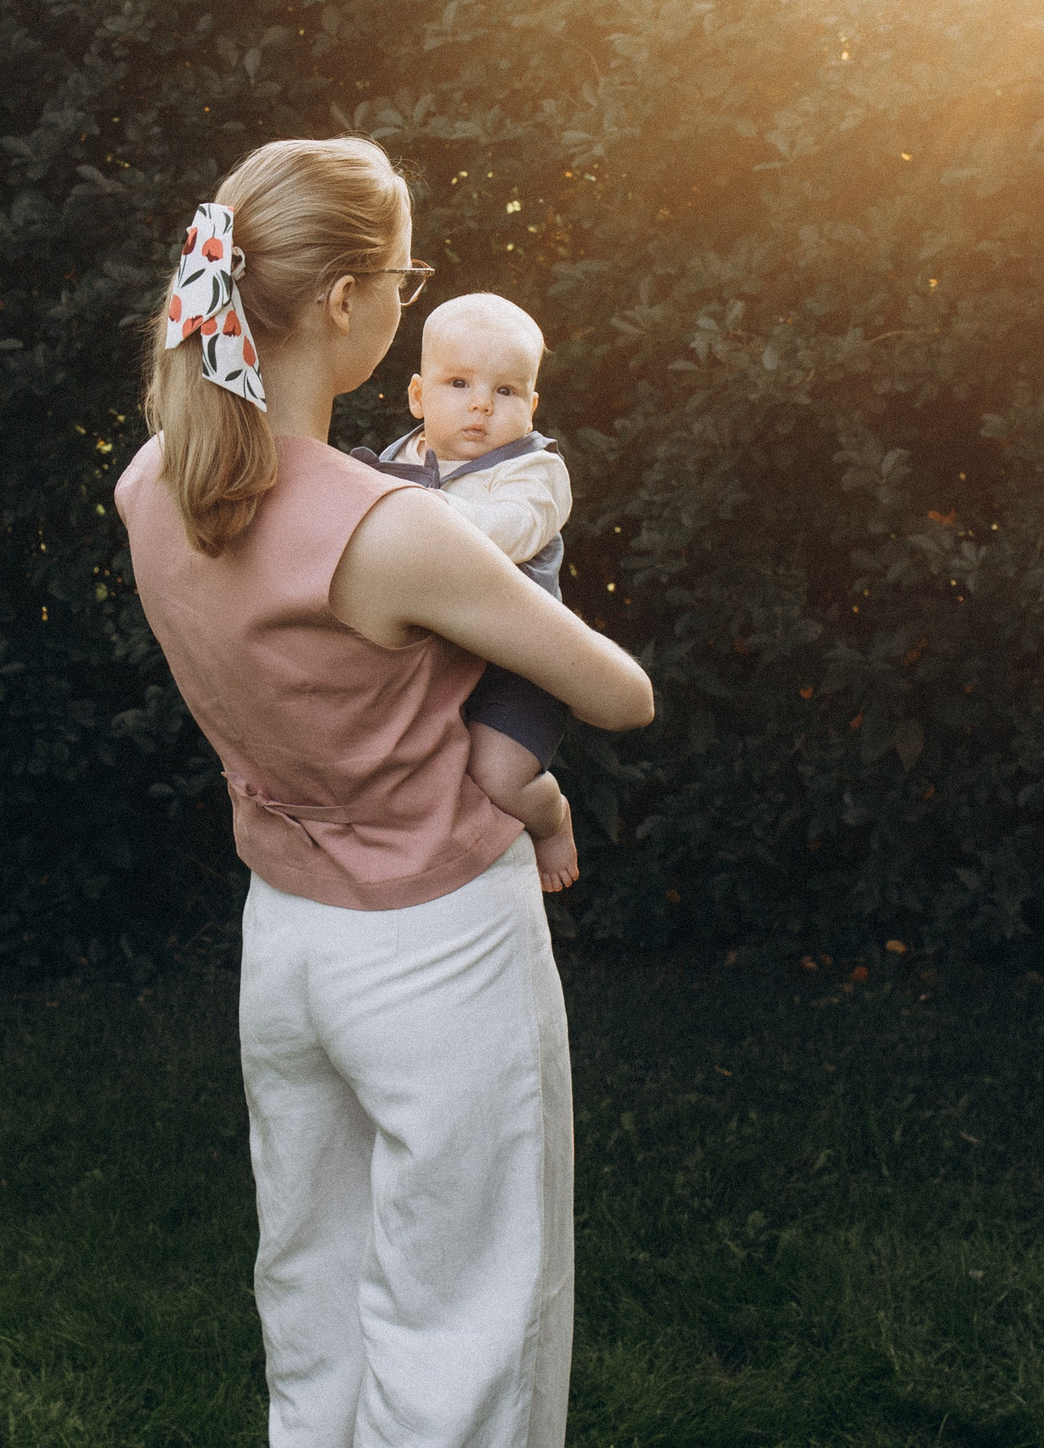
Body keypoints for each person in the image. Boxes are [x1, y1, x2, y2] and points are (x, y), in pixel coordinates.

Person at [113, 136, 653, 1448]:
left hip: (285, 945)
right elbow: (620, 693)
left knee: (314, 1298)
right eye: (406, 282)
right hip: (436, 950)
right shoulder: (393, 528)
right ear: (346, 301)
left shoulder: (150, 488)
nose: (408, 304)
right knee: (466, 1321)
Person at [352, 292, 580, 892]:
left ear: (531, 407)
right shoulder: (395, 459)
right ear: (417, 396)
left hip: (516, 666)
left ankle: (552, 817)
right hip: (431, 660)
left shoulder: (534, 471)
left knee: (499, 775)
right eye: (458, 383)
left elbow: (513, 530)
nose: (481, 403)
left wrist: (419, 515)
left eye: (505, 391)